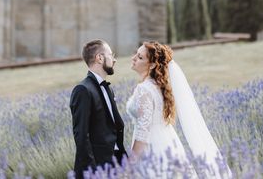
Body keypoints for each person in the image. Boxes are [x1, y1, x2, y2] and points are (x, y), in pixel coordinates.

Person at [126, 41, 231, 178]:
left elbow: (142, 132)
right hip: (168, 143)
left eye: (140, 57)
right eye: (136, 54)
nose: (133, 58)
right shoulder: (159, 87)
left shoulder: (144, 89)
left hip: (152, 149)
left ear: (151, 65)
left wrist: (128, 165)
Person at [70, 39, 127, 176]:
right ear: (100, 58)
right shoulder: (82, 90)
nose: (114, 60)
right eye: (111, 55)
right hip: (96, 167)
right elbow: (82, 136)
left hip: (116, 164)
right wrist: (94, 172)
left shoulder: (108, 89)